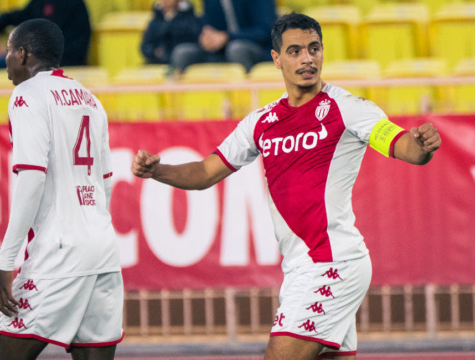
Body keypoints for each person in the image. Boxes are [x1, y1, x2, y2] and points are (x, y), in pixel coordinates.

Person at [132, 12, 442, 359]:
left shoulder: (349, 108)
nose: (307, 59)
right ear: (276, 59)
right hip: (298, 269)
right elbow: (206, 172)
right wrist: (159, 171)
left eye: (314, 48)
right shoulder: (262, 122)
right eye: (295, 51)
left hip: (333, 263)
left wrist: (422, 146)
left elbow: (404, 147)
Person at [0, 19, 123, 360]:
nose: (5, 59)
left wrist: (5, 262)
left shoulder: (27, 95)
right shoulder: (90, 99)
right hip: (103, 248)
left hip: (59, 251)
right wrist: (94, 228)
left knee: (7, 349)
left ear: (22, 54)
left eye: (8, 50)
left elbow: (32, 178)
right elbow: (106, 180)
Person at [171, 0, 277, 72]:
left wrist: (227, 37)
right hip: (220, 50)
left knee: (237, 49)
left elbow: (266, 31)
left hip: (258, 48)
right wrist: (206, 38)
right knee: (182, 53)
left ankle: (244, 101)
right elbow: (209, 26)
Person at [0, 0, 91, 68]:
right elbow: (18, 16)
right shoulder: (40, 3)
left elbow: (75, 47)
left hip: (61, 63)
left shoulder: (72, 4)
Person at [141, 0, 202, 65]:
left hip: (182, 64)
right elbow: (145, 47)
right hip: (157, 63)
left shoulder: (190, 19)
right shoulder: (155, 22)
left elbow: (194, 43)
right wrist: (154, 52)